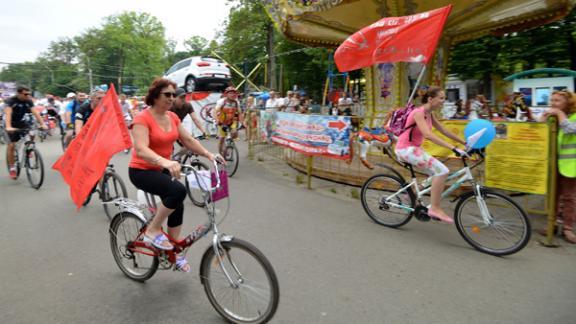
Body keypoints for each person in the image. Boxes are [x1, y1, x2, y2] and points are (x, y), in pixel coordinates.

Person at [130, 78, 222, 272]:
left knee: (177, 204)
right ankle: (152, 230)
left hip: (163, 168)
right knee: (178, 191)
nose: (172, 98)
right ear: (155, 96)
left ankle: (174, 250)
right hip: (142, 170)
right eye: (167, 95)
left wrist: (209, 154)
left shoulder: (172, 117)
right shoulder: (142, 118)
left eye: (174, 95)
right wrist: (165, 161)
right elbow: (140, 149)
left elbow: (187, 139)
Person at [394, 86, 467, 223]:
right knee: (442, 171)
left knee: (436, 172)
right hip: (405, 149)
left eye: (444, 98)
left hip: (414, 149)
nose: (443, 101)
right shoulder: (418, 113)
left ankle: (409, 194)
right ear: (430, 99)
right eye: (441, 98)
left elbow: (444, 130)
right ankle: (434, 208)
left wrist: (464, 142)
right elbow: (428, 134)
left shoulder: (430, 114)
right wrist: (453, 148)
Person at [540, 90, 576, 243]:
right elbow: (539, 132)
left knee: (569, 198)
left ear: (568, 103)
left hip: (571, 165)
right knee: (553, 196)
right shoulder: (553, 117)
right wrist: (542, 118)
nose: (553, 104)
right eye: (552, 100)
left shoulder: (572, 117)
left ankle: (568, 228)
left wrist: (560, 115)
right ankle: (552, 224)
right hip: (554, 164)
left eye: (557, 101)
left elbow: (570, 129)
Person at [4, 86, 47, 179]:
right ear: (19, 93)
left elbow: (35, 112)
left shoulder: (28, 101)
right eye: (25, 94)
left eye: (29, 94)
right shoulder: (11, 101)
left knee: (31, 132)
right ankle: (12, 168)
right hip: (10, 123)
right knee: (11, 145)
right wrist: (8, 126)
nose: (28, 96)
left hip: (21, 122)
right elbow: (8, 113)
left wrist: (43, 124)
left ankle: (29, 149)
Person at [213, 86, 243, 157]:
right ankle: (220, 154)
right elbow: (214, 112)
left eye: (234, 93)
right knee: (222, 139)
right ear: (226, 94)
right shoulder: (221, 102)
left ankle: (229, 143)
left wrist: (242, 123)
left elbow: (240, 113)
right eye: (231, 93)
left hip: (232, 121)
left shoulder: (236, 102)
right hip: (222, 122)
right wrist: (217, 121)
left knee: (235, 133)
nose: (233, 95)